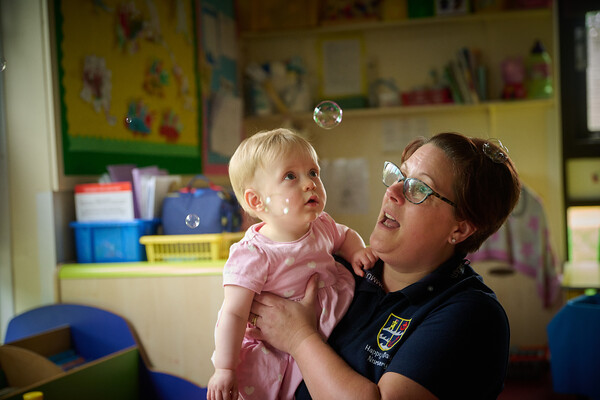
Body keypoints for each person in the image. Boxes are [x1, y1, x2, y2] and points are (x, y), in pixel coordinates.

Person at [247, 132, 521, 399]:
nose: (392, 191)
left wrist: (299, 338)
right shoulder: (339, 267)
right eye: (400, 176)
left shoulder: (472, 314)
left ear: (459, 229)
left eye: (418, 188)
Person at [207, 128, 377, 400]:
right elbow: (233, 314)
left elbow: (345, 235)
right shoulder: (254, 253)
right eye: (290, 176)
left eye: (313, 172)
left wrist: (356, 251)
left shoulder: (322, 225)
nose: (310, 183)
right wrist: (224, 368)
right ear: (256, 200)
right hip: (277, 347)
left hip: (329, 328)